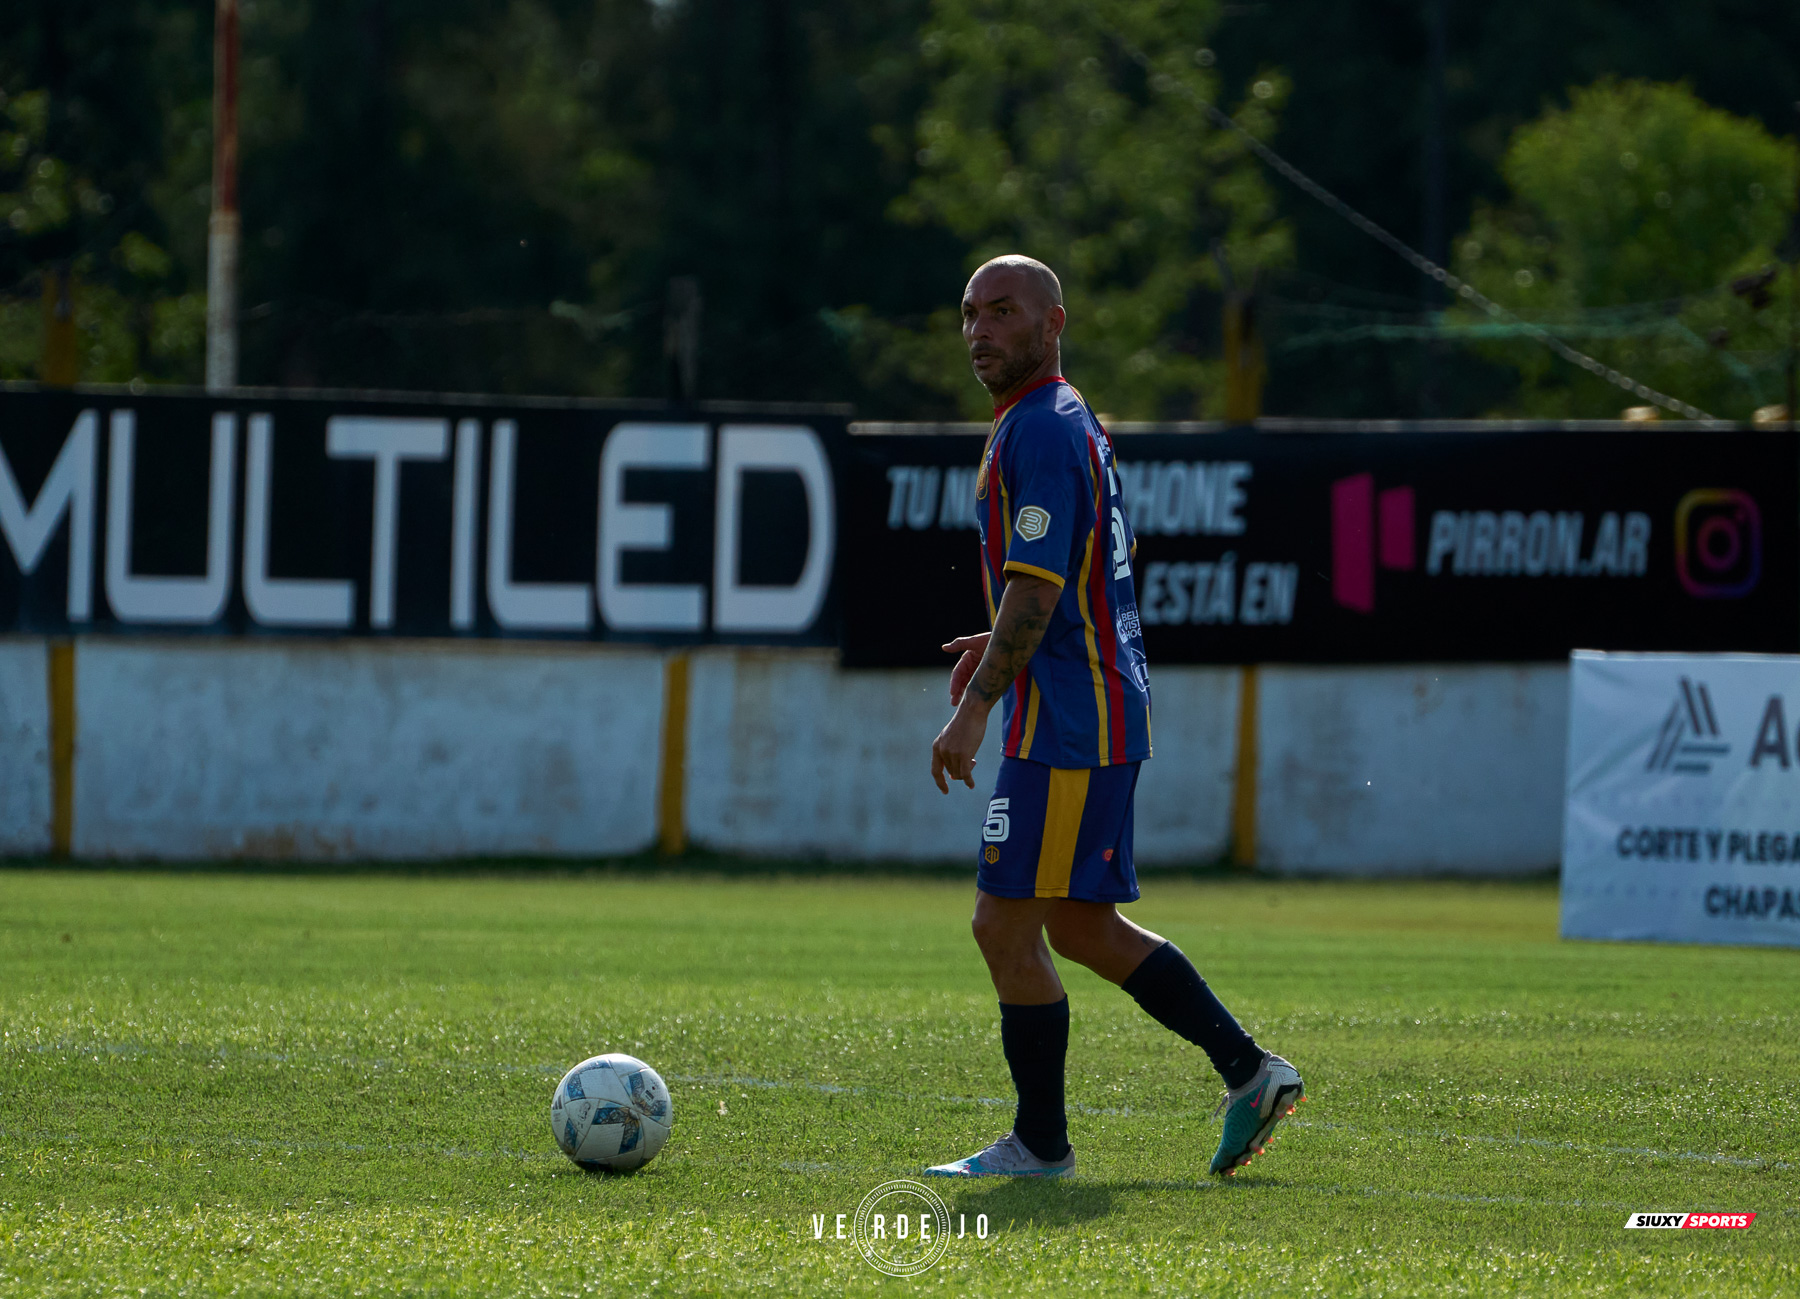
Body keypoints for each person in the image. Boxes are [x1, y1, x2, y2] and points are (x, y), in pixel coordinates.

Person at [922, 255, 1303, 1179]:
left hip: (1068, 722)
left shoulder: (1044, 430)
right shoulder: (1054, 418)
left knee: (1002, 925)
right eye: (971, 313)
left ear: (1055, 321)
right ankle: (1252, 1071)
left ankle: (1041, 1147)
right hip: (1087, 707)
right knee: (1080, 926)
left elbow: (1039, 585)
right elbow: (1062, 581)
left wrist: (976, 708)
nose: (981, 329)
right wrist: (1002, 642)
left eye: (1003, 311)